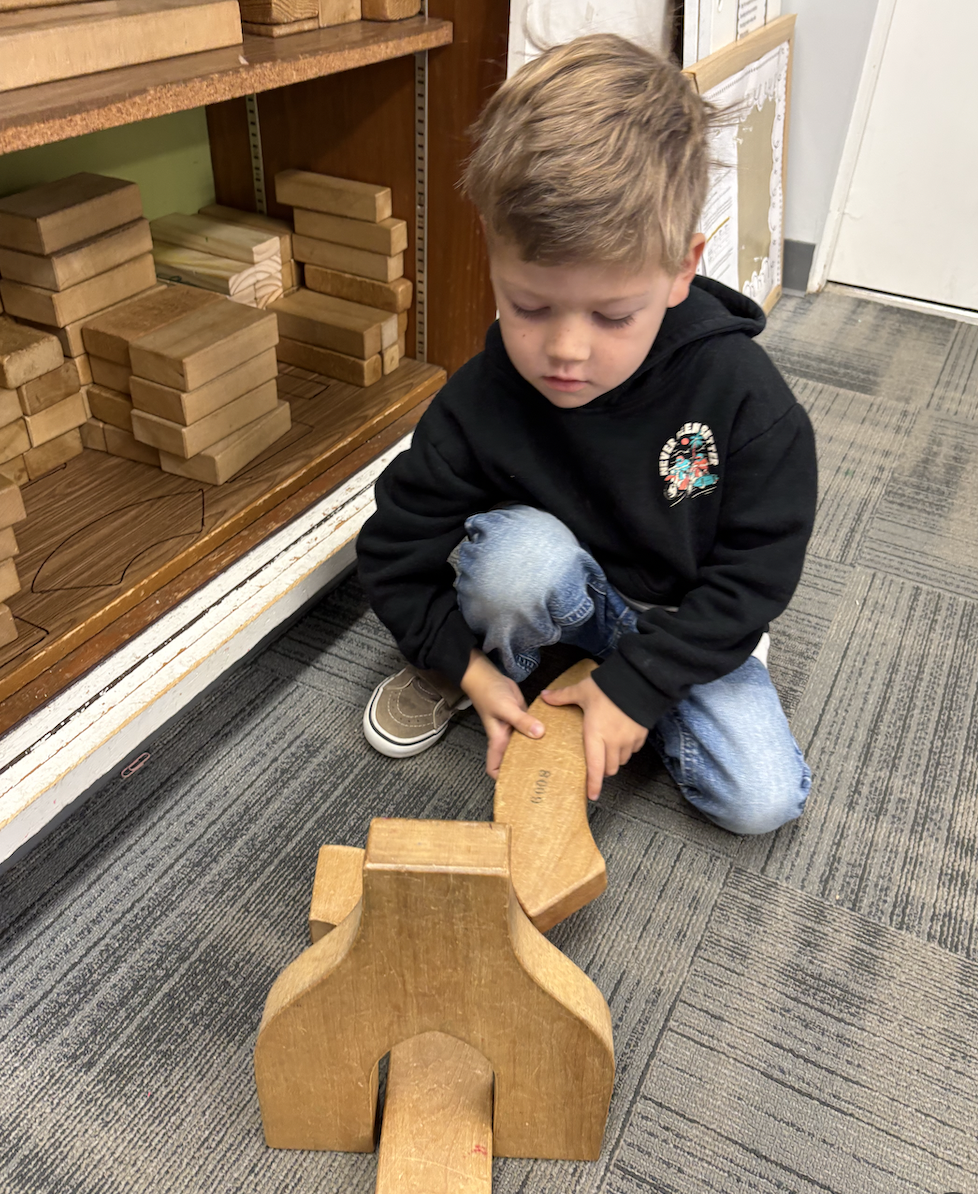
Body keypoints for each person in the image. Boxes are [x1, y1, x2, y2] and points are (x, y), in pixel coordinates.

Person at [356, 33, 817, 836]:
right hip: (551, 582)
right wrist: (462, 668)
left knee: (761, 800)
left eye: (612, 315)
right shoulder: (482, 398)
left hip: (678, 611)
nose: (565, 351)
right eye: (529, 306)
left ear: (682, 269)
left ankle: (627, 676)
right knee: (516, 564)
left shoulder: (747, 402)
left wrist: (645, 682)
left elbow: (758, 572)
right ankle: (512, 665)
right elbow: (392, 549)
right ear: (494, 257)